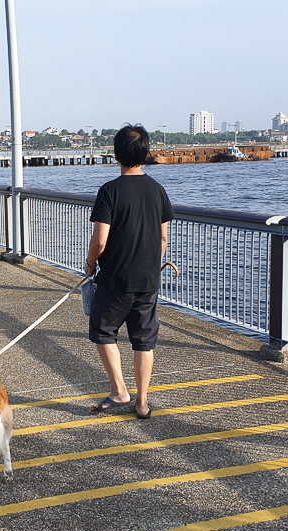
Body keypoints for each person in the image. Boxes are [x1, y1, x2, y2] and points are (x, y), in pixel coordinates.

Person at [85, 124, 174, 419]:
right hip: (148, 278)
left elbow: (100, 240)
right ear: (146, 153)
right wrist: (151, 264)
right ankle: (142, 401)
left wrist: (90, 264)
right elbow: (162, 239)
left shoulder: (110, 191)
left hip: (115, 277)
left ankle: (119, 391)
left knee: (103, 330)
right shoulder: (157, 190)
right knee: (143, 339)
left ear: (115, 154)